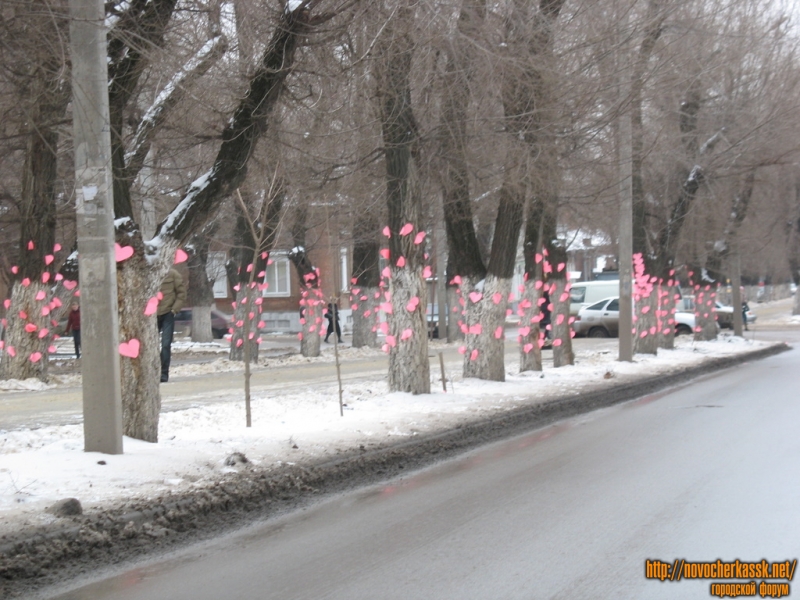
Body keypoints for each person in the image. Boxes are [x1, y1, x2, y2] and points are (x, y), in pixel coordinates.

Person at [156, 268, 187, 382]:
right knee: (151, 346)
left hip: (168, 314)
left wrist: (174, 310)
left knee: (165, 345)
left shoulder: (173, 274)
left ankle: (164, 374)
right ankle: (153, 371)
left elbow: (181, 293)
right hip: (152, 315)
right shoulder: (150, 272)